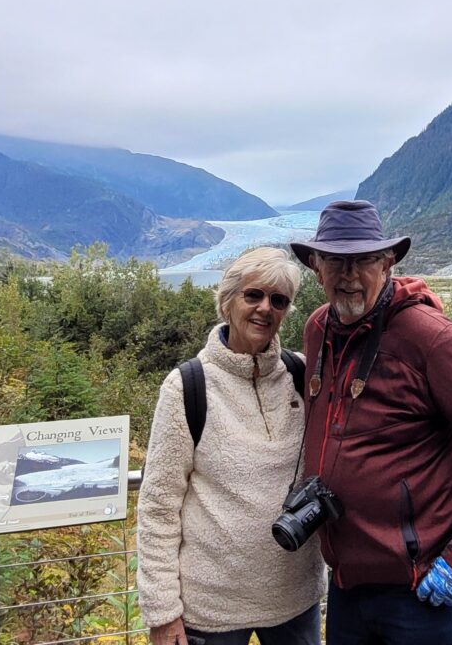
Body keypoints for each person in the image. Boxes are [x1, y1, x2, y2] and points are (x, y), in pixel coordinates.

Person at [290, 200, 452, 645]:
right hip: (347, 584)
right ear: (316, 267)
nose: (348, 274)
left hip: (421, 593)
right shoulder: (317, 330)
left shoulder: (428, 338)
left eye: (363, 259)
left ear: (387, 263)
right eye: (335, 260)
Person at [136, 247, 327, 645]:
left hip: (294, 600)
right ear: (227, 301)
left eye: (279, 300)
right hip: (211, 609)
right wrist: (162, 611)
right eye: (252, 295)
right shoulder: (187, 387)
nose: (265, 308)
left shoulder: (300, 375)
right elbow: (158, 506)